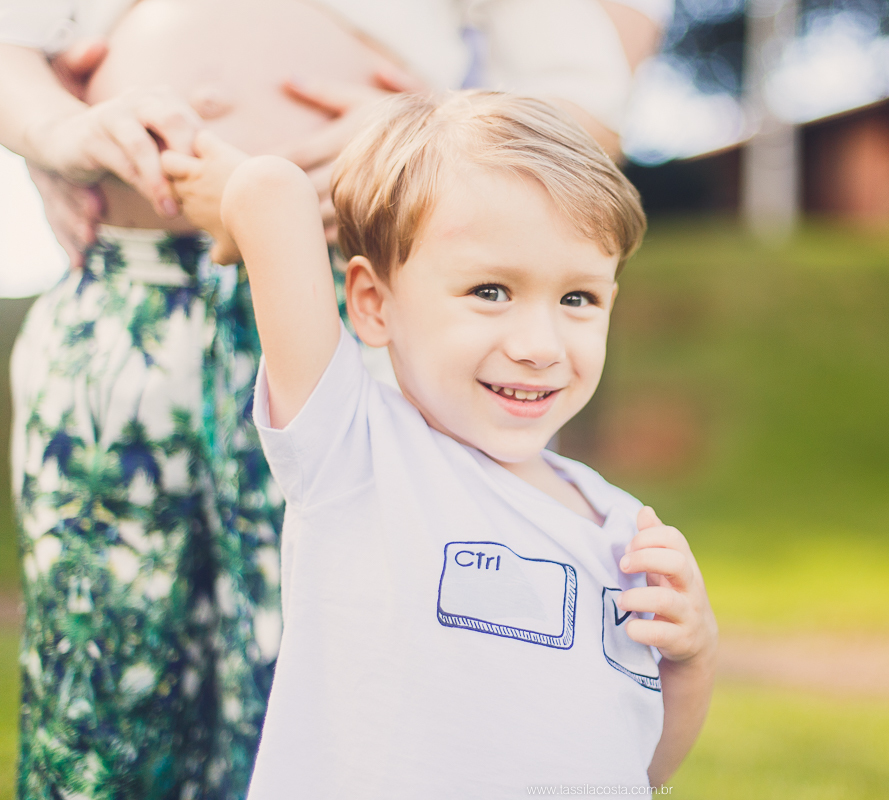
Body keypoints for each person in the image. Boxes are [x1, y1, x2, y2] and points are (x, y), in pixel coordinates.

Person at [0, 1, 666, 797]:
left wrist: (423, 145)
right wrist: (57, 133)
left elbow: (584, 117)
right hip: (122, 300)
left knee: (321, 662)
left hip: (353, 311)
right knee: (98, 679)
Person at [160, 89, 718, 797]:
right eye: (490, 290)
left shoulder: (623, 528)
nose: (539, 346)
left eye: (578, 298)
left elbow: (639, 767)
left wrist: (692, 658)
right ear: (373, 303)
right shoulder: (357, 453)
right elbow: (271, 191)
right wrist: (239, 193)